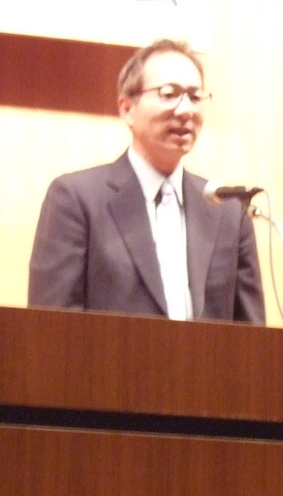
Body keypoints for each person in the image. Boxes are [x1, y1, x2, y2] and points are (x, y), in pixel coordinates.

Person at [28, 38, 265, 323]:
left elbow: (251, 336)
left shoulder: (227, 211)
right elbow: (51, 326)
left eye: (195, 97)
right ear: (127, 108)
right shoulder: (76, 199)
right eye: (169, 94)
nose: (185, 110)